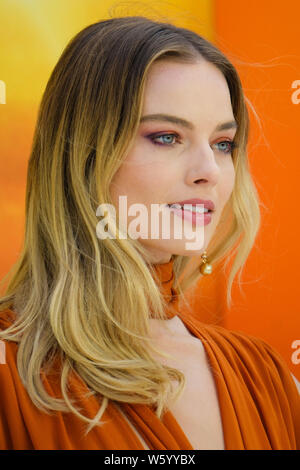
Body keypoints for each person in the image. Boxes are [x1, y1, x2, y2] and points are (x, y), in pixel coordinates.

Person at [0, 16, 299, 450]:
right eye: (166, 137)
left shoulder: (268, 378)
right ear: (82, 153)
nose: (208, 172)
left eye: (223, 144)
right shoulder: (10, 370)